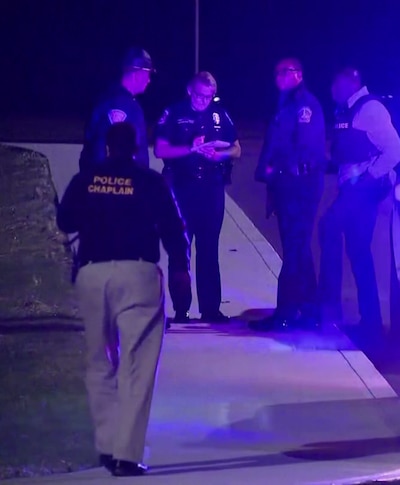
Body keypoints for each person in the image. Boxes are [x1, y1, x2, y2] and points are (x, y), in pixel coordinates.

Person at [56, 121, 191, 477]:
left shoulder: (87, 179)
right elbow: (174, 228)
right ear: (135, 148)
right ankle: (127, 454)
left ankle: (105, 445)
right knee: (137, 365)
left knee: (99, 362)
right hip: (138, 273)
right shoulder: (149, 181)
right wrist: (180, 267)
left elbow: (64, 221)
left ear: (106, 147)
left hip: (92, 272)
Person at [318, 67, 400, 339]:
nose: (331, 89)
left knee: (328, 227)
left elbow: (396, 151)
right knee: (358, 251)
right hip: (353, 187)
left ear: (350, 84)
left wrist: (370, 176)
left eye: (336, 83)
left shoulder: (371, 109)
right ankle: (371, 322)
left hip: (364, 189)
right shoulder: (347, 110)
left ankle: (330, 310)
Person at [154, 71, 241, 324]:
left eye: (209, 96)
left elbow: (237, 148)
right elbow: (160, 149)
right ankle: (181, 310)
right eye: (200, 95)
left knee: (208, 249)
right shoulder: (174, 113)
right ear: (190, 91)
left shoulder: (219, 114)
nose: (204, 101)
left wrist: (220, 155)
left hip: (211, 189)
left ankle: (211, 309)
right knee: (180, 250)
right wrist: (190, 148)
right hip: (181, 188)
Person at [249, 58, 327, 331]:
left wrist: (278, 168)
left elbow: (304, 150)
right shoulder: (285, 105)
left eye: (286, 72)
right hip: (286, 186)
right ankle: (309, 310)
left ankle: (285, 314)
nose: (279, 77)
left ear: (299, 75)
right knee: (299, 249)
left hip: (299, 187)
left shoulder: (304, 105)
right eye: (277, 72)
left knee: (294, 249)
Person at [79, 47, 154, 171]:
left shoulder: (118, 99)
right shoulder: (120, 103)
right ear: (137, 74)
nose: (149, 80)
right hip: (117, 181)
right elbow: (110, 146)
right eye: (147, 74)